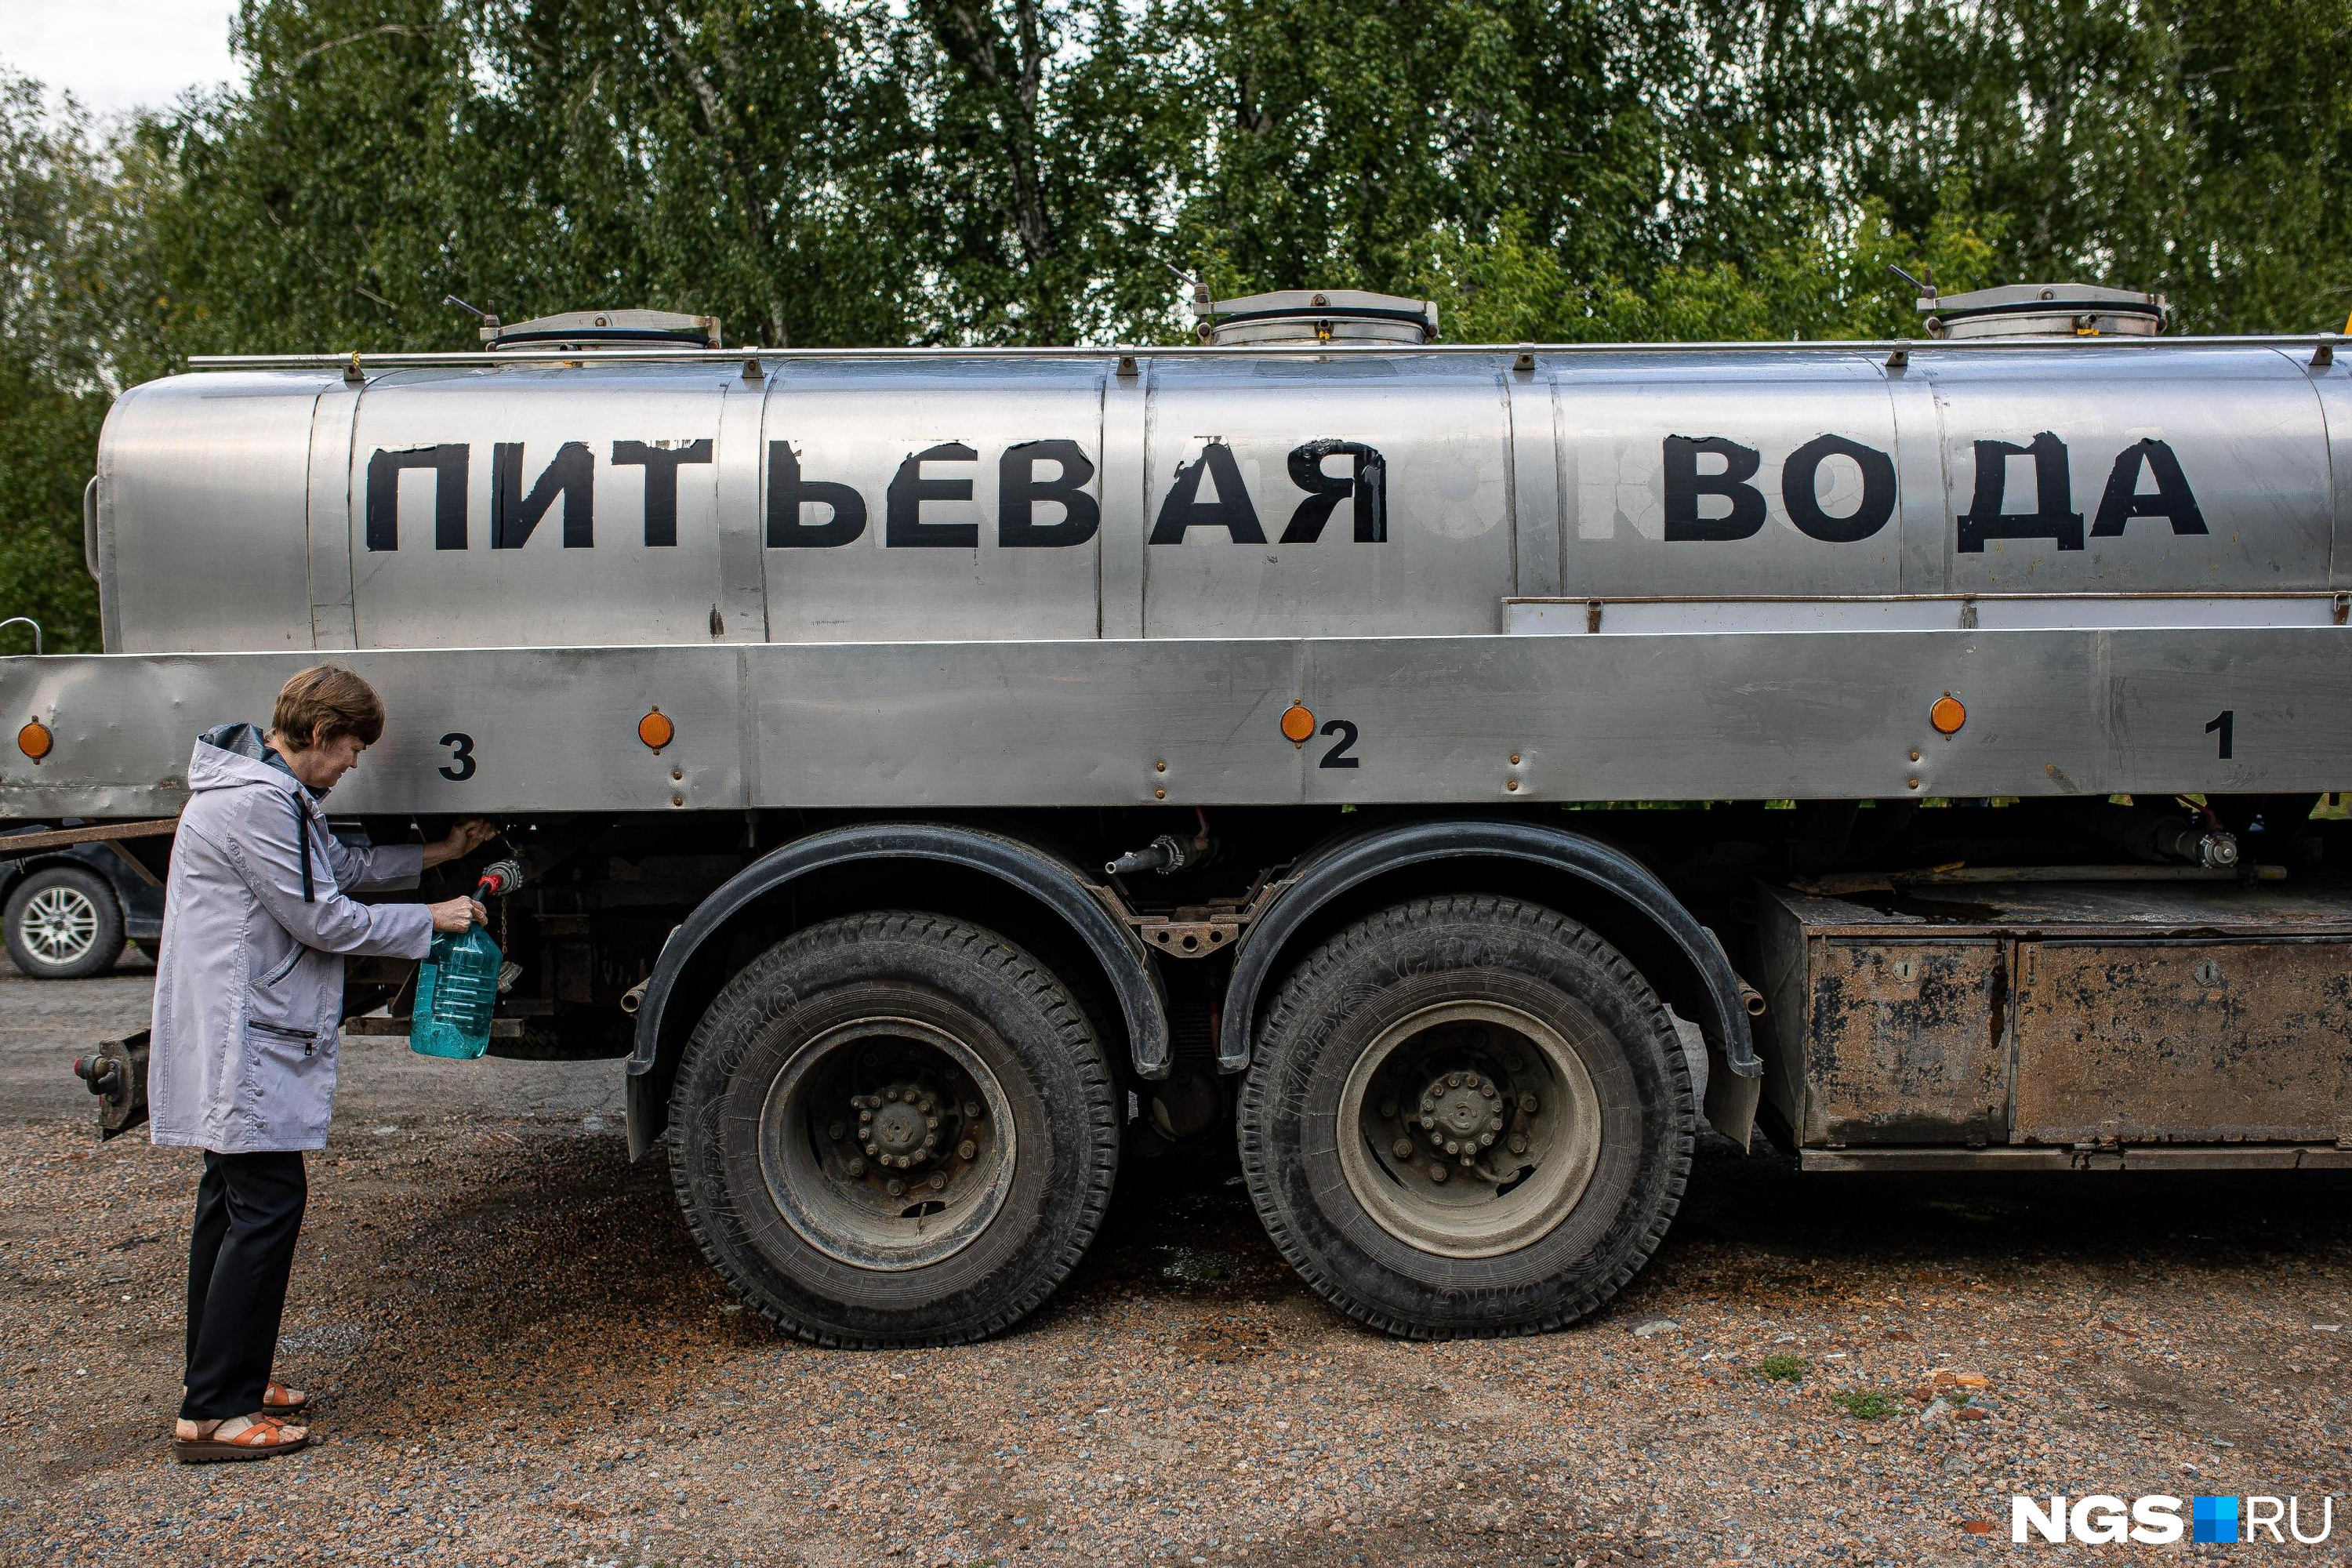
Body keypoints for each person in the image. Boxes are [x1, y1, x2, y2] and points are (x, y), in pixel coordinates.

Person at [148, 666, 494, 1463]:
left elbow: (334, 867)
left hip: (240, 1024)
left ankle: (224, 1377)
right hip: (244, 1033)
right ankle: (216, 1411)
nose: (353, 764)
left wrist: (440, 850)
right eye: (349, 748)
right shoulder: (257, 802)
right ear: (314, 734)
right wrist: (432, 917)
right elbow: (323, 916)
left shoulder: (268, 793)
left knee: (231, 1203)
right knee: (267, 1204)